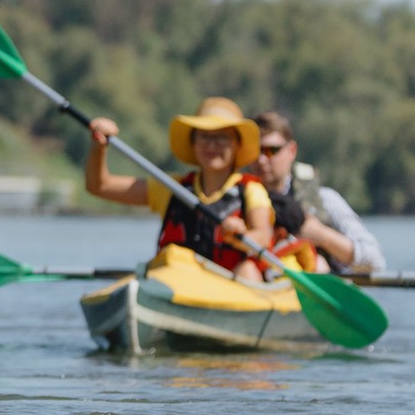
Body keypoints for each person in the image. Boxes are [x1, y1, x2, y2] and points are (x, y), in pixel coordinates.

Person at [84, 96, 274, 283]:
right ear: (194, 142)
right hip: (179, 284)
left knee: (248, 270)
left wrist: (240, 236)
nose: (211, 145)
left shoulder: (251, 190)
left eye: (222, 137)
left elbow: (263, 236)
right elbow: (100, 186)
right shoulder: (170, 187)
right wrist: (98, 148)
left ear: (236, 145)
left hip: (227, 286)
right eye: (204, 136)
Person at [251, 111, 386, 274]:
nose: (261, 159)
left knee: (319, 264)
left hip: (311, 286)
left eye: (270, 150)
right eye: (254, 151)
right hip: (260, 287)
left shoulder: (324, 199)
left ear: (291, 151)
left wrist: (322, 236)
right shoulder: (237, 199)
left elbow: (375, 261)